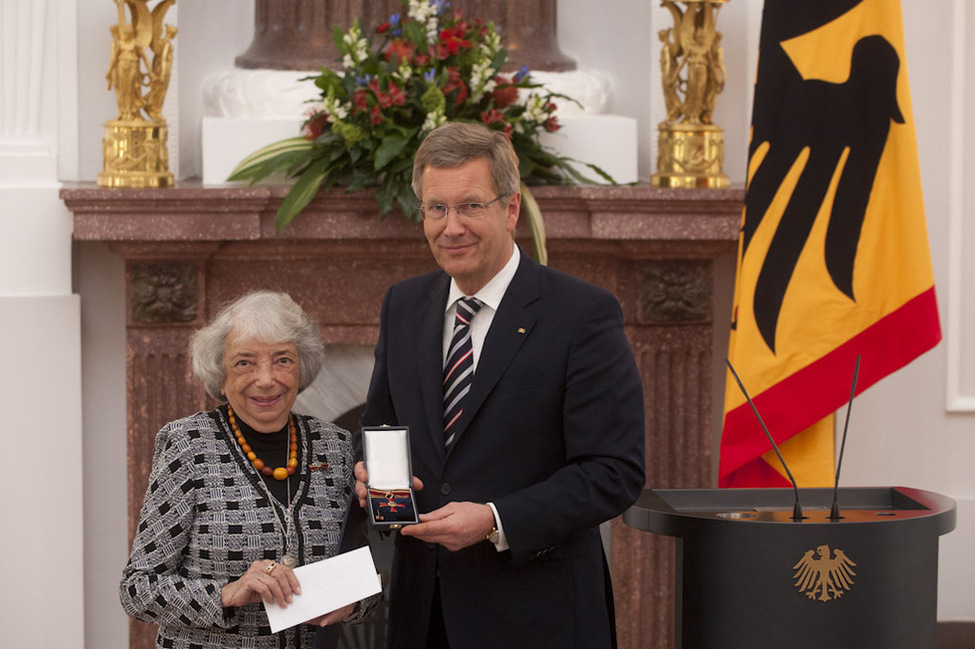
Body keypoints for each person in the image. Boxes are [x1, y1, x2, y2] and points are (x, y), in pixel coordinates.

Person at [354, 122, 646, 648]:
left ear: (510, 209)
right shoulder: (403, 305)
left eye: (470, 206)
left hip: (538, 618)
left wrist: (494, 519)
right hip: (422, 616)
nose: (451, 227)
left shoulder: (582, 314)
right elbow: (378, 426)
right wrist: (370, 474)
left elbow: (613, 472)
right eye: (436, 208)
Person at [120, 291, 377, 649]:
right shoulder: (188, 444)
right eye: (245, 363)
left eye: (282, 360)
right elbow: (138, 588)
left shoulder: (333, 445)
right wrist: (229, 592)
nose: (266, 378)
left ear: (301, 368)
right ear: (220, 376)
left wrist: (354, 602)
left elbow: (362, 579)